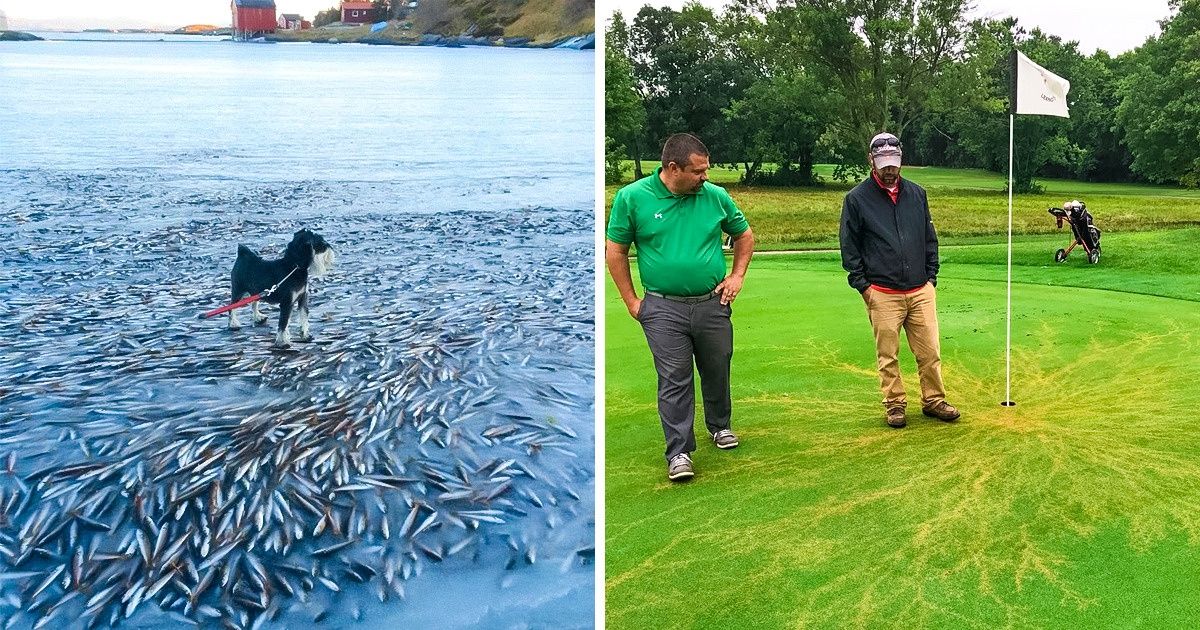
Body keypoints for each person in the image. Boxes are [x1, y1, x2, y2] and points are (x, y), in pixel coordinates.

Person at [605, 133, 755, 481]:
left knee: (717, 366)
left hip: (712, 302)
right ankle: (679, 452)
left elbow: (744, 236)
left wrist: (737, 277)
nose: (705, 177)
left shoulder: (715, 196)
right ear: (673, 168)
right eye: (698, 171)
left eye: (706, 170)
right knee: (674, 378)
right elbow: (616, 251)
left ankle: (719, 425)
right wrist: (632, 302)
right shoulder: (632, 198)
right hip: (662, 306)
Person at [839, 132, 960, 428]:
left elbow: (929, 237)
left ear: (901, 161)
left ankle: (933, 400)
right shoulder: (856, 199)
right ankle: (894, 404)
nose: (889, 170)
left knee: (930, 351)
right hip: (881, 290)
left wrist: (932, 276)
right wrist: (863, 287)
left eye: (894, 163)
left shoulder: (917, 194)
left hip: (920, 288)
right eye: (883, 164)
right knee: (888, 355)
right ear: (871, 161)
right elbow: (849, 246)